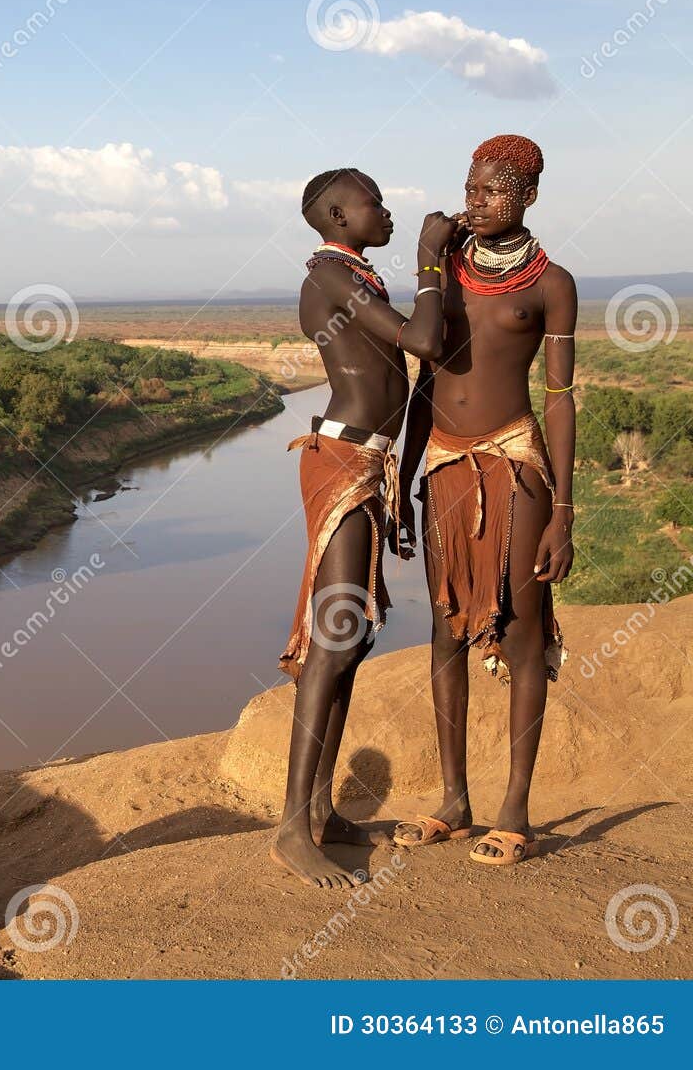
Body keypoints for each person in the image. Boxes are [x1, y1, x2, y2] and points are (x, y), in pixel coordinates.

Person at [271, 168, 461, 889]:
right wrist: (430, 257)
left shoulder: (355, 278)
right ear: (338, 214)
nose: (387, 210)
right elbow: (425, 342)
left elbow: (407, 382)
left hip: (370, 464)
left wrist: (403, 486)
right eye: (377, 202)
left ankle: (319, 809)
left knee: (354, 634)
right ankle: (292, 826)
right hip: (344, 459)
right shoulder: (327, 275)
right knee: (335, 631)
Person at [393, 135, 575, 867]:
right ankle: (453, 799)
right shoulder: (446, 275)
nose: (474, 203)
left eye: (491, 192)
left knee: (523, 631)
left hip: (514, 457)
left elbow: (560, 398)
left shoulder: (551, 283)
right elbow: (423, 377)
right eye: (469, 189)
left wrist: (564, 510)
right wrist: (405, 482)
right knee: (445, 628)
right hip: (441, 460)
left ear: (526, 196)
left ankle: (516, 808)